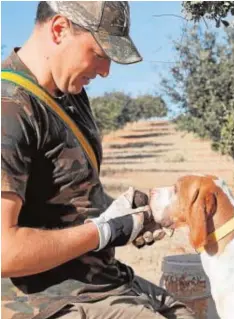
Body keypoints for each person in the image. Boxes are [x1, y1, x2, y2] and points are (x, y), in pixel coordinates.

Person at [1, 2, 196, 319]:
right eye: (100, 53)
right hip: (50, 302)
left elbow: (75, 199)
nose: (106, 72)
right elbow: (4, 252)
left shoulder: (71, 95)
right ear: (60, 29)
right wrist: (104, 231)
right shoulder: (9, 109)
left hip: (104, 283)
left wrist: (133, 216)